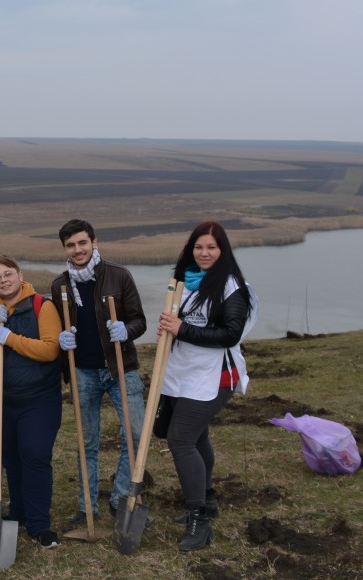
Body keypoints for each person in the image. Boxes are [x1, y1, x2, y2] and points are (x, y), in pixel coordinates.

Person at [157, 221, 257, 552]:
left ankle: (198, 520)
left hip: (216, 375)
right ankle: (208, 499)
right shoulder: (184, 281)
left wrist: (181, 329)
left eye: (212, 247)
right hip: (184, 372)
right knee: (196, 436)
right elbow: (178, 323)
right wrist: (170, 329)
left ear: (223, 250)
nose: (204, 253)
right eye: (199, 247)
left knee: (180, 439)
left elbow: (231, 334)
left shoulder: (232, 286)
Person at [49, 219, 147, 527]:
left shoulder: (118, 275)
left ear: (93, 241)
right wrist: (63, 342)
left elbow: (139, 320)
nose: (77, 250)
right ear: (64, 248)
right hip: (83, 372)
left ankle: (120, 498)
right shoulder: (60, 285)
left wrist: (126, 330)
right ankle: (86, 507)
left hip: (120, 368)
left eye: (82, 243)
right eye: (70, 245)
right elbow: (59, 329)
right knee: (86, 441)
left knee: (135, 433)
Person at [0, 256, 63, 549]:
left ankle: (39, 525)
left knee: (34, 455)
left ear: (20, 275)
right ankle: (18, 513)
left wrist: (10, 338)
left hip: (39, 400)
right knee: (11, 459)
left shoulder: (41, 306)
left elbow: (49, 350)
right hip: (1, 399)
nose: (4, 280)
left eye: (9, 274)